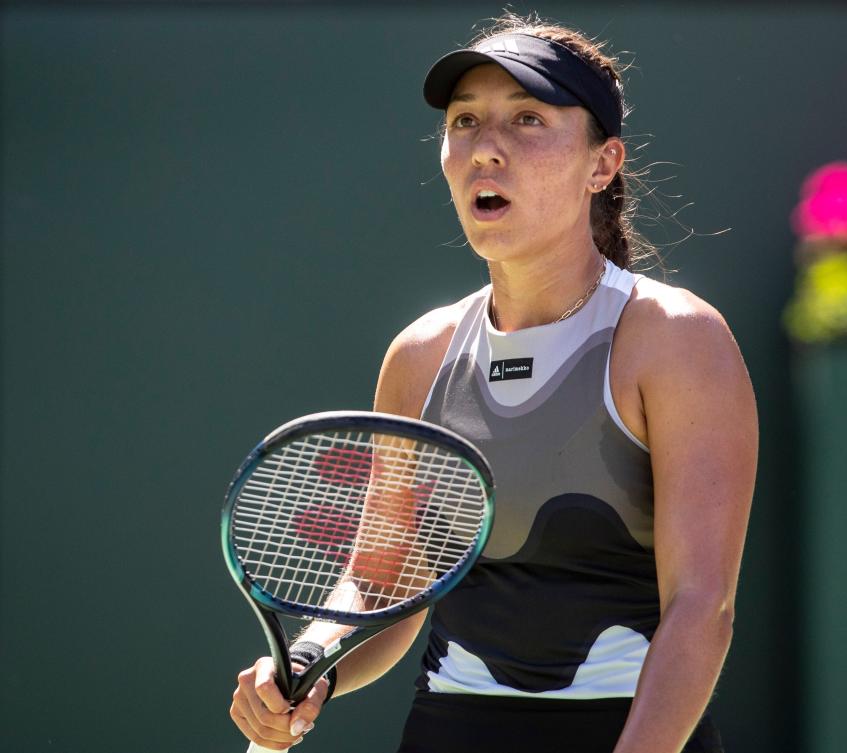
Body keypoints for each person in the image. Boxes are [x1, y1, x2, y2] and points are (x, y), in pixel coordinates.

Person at [229, 13, 758, 753]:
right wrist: (315, 659)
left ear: (602, 164)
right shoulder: (420, 354)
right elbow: (384, 582)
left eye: (528, 119)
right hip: (449, 729)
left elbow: (703, 607)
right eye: (466, 121)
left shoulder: (677, 340)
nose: (486, 148)